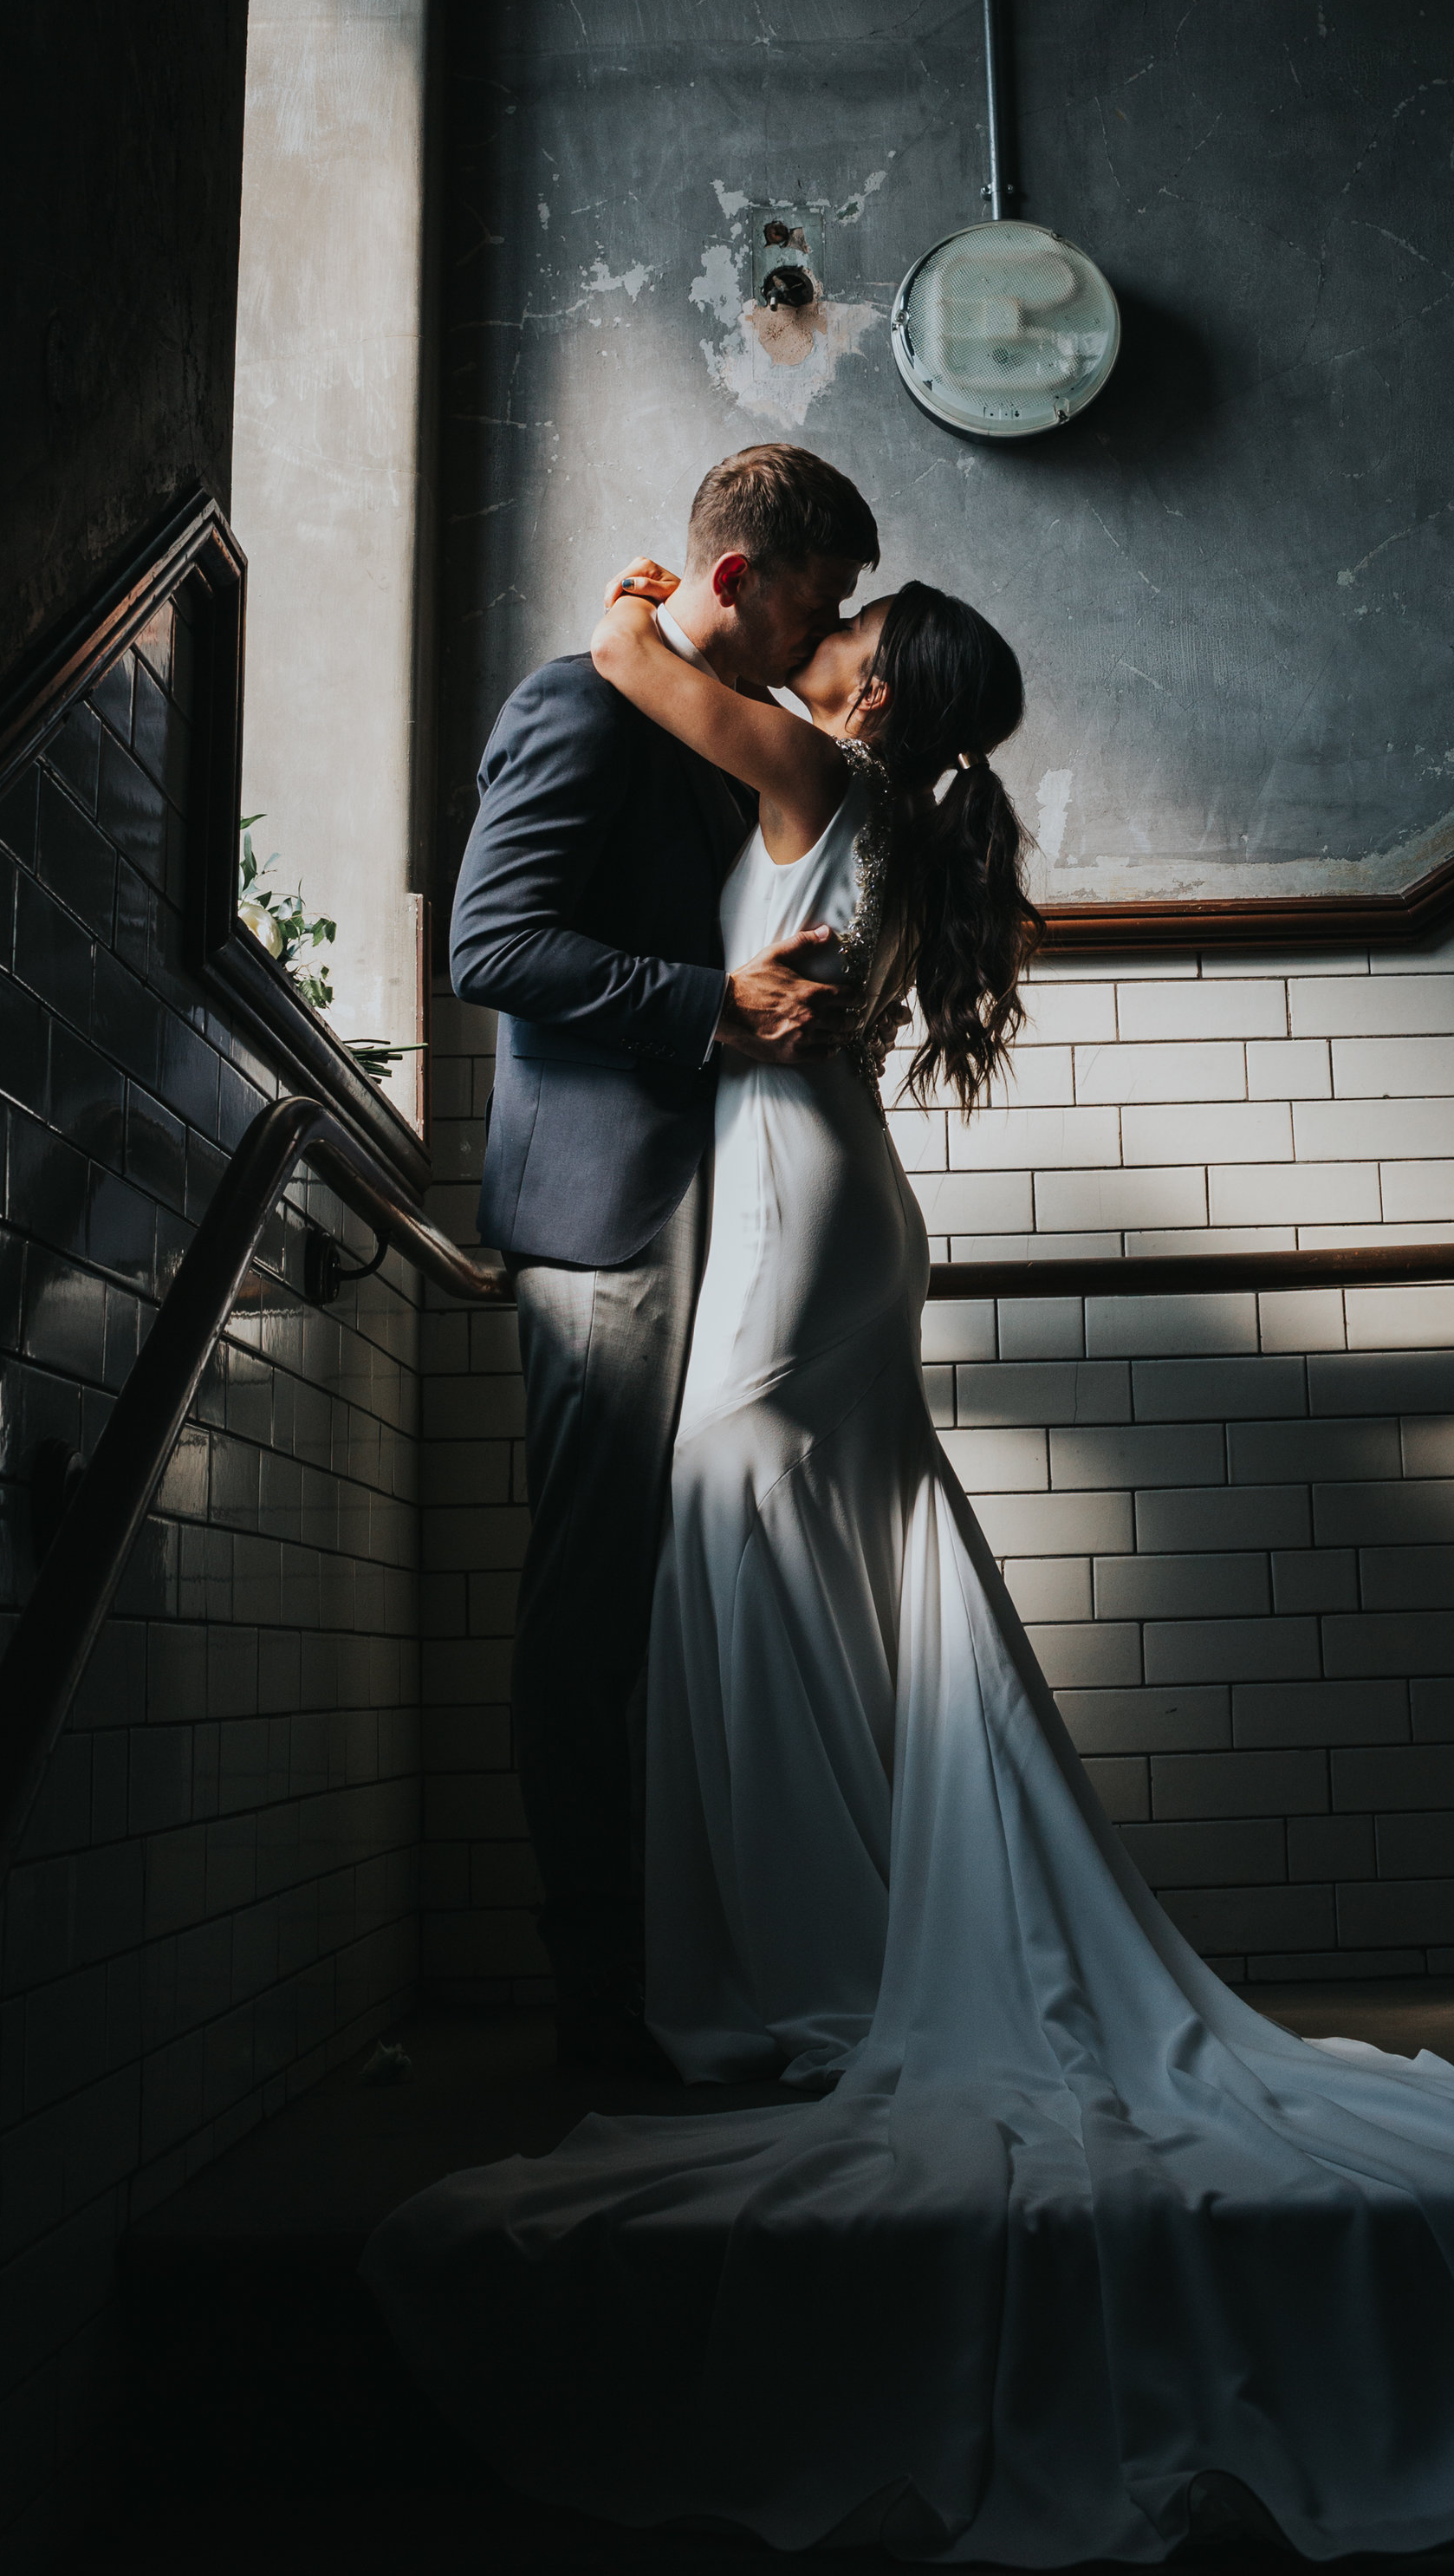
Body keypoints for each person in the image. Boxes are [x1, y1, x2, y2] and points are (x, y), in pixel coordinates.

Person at [373, 568, 1454, 2564]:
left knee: (749, 1530)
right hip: (818, 1205)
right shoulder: (885, 801)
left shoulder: (823, 769)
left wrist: (664, 589)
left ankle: (799, 1958)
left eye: (845, 620)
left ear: (874, 678)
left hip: (802, 1211)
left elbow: (634, 654)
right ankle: (819, 1934)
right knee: (797, 1558)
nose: (817, 635)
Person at [444, 441, 880, 2071]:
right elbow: (493, 942)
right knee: (592, 1619)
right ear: (736, 577)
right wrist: (722, 1008)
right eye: (812, 604)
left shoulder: (712, 727)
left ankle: (700, 1983)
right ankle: (600, 2015)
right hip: (605, 1220)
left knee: (684, 1607)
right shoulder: (577, 701)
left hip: (718, 1207)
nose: (818, 640)